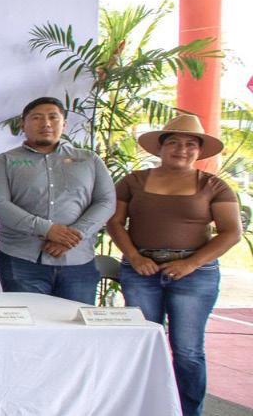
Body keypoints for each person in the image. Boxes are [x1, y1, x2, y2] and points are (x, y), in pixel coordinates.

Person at [106, 114, 240, 416]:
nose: (182, 149)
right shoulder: (133, 181)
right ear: (161, 147)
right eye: (174, 142)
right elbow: (114, 222)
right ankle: (145, 407)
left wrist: (191, 263)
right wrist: (135, 257)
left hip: (195, 275)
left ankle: (188, 411)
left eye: (191, 144)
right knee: (143, 343)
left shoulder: (213, 185)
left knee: (187, 350)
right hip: (141, 271)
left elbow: (231, 232)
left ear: (200, 150)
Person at [0, 97, 114, 304]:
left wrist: (74, 235)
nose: (45, 124)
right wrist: (47, 229)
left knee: (76, 321)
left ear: (64, 124)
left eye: (53, 117)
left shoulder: (89, 159)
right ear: (23, 125)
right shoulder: (6, 160)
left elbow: (106, 201)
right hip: (22, 259)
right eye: (37, 118)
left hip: (78, 259)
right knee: (29, 320)